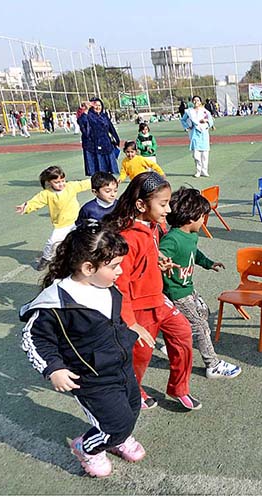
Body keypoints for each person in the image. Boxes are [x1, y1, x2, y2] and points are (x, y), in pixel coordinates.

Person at [20, 224, 150, 477]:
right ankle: (87, 448)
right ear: (88, 268)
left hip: (121, 368)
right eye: (114, 266)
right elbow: (33, 337)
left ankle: (115, 437)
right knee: (116, 422)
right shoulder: (57, 302)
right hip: (91, 379)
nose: (120, 271)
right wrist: (53, 368)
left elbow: (114, 324)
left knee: (132, 407)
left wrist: (127, 334)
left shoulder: (108, 289)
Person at [103, 172, 201, 411]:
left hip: (159, 299)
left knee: (183, 333)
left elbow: (149, 253)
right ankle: (133, 389)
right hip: (138, 308)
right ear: (140, 205)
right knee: (141, 354)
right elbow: (120, 283)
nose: (168, 210)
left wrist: (159, 261)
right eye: (163, 204)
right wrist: (130, 322)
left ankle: (180, 389)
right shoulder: (126, 238)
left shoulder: (154, 226)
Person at [159, 187, 242, 379]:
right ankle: (212, 365)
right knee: (200, 325)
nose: (204, 220)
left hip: (188, 287)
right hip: (176, 292)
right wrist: (163, 262)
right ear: (190, 218)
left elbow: (193, 253)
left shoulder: (191, 235)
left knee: (204, 312)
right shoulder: (172, 239)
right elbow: (158, 253)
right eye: (202, 217)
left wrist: (208, 263)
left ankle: (174, 342)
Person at [15, 166, 92, 270]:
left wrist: (100, 179)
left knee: (83, 240)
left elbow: (84, 184)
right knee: (52, 243)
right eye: (57, 182)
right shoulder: (46, 194)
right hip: (61, 224)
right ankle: (46, 258)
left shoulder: (71, 186)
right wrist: (26, 207)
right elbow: (36, 202)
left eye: (62, 180)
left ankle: (83, 258)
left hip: (77, 221)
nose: (61, 184)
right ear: (49, 182)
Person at [78, 98, 120, 176]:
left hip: (106, 144)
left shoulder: (104, 116)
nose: (98, 107)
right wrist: (86, 110)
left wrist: (116, 139)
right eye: (96, 105)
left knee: (110, 171)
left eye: (99, 105)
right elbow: (83, 124)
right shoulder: (88, 116)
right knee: (98, 171)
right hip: (94, 146)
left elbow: (111, 128)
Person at [181, 95, 215, 178]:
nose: (196, 102)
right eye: (194, 100)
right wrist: (187, 127)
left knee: (204, 154)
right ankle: (198, 170)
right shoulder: (189, 112)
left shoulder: (205, 111)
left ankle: (204, 170)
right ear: (192, 102)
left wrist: (206, 122)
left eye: (198, 100)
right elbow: (183, 120)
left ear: (200, 102)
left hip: (203, 134)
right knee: (196, 155)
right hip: (194, 134)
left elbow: (211, 121)